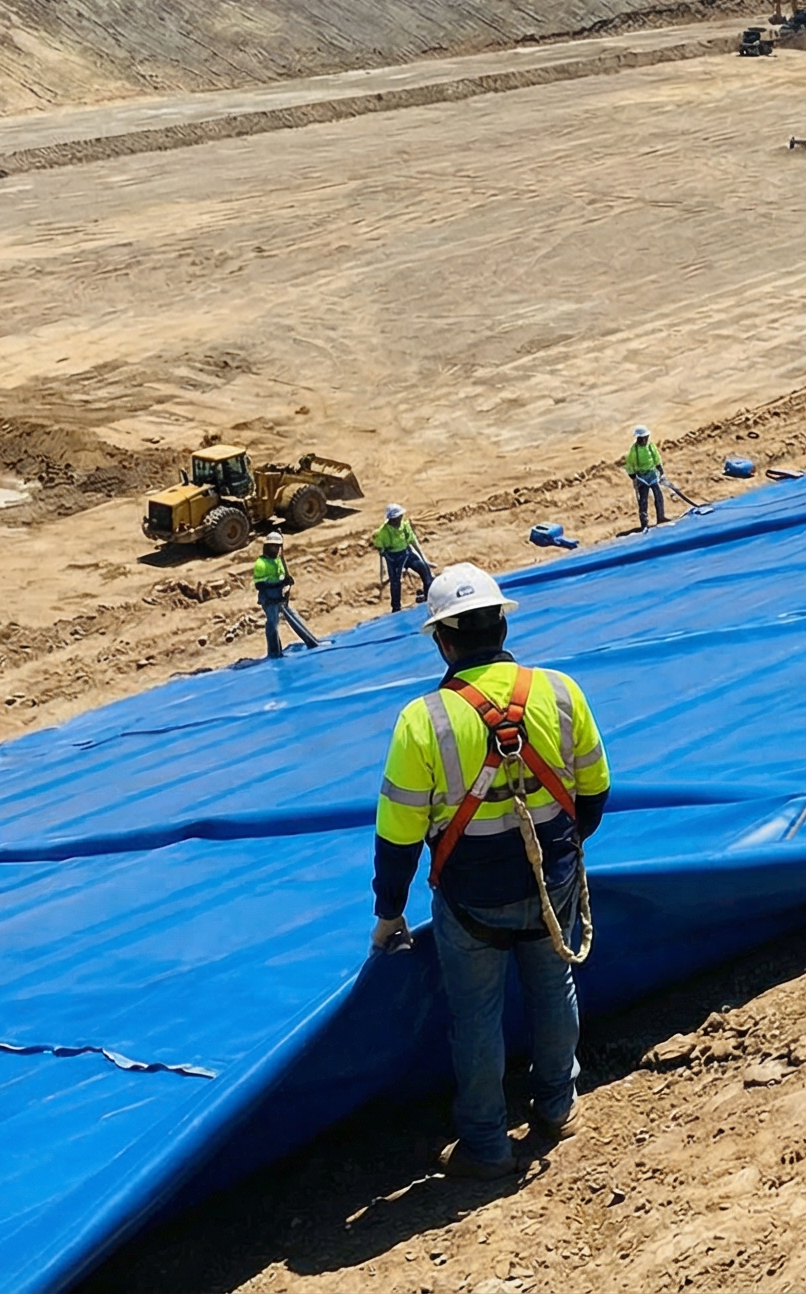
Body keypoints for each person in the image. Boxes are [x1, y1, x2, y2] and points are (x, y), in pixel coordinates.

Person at [370, 563, 609, 1179]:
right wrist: (557, 850)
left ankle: (487, 1143)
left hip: (471, 899)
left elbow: (398, 836)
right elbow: (594, 793)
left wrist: (389, 913)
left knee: (475, 1016)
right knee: (554, 989)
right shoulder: (560, 691)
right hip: (552, 885)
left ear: (442, 640)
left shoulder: (422, 721)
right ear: (502, 622)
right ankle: (557, 1105)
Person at [253, 531, 320, 657]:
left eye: (278, 546)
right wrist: (274, 592)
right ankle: (274, 652)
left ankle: (311, 641)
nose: (276, 549)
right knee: (272, 623)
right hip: (269, 597)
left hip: (280, 596)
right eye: (273, 546)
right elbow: (260, 585)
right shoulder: (261, 564)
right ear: (267, 547)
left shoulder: (278, 560)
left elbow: (281, 575)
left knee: (294, 617)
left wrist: (287, 581)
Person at [373, 503, 435, 612]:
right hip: (394, 557)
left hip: (407, 553)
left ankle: (428, 597)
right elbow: (380, 548)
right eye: (396, 518)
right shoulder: (383, 532)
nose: (399, 520)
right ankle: (396, 607)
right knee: (396, 582)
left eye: (400, 517)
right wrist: (386, 556)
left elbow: (413, 541)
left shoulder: (405, 525)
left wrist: (423, 558)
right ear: (391, 519)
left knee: (425, 571)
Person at [623, 425, 667, 530]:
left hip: (652, 474)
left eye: (646, 437)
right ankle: (644, 523)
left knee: (658, 496)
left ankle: (661, 517)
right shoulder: (634, 450)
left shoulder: (651, 446)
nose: (644, 440)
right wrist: (632, 474)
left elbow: (656, 457)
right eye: (642, 438)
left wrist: (660, 469)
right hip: (641, 477)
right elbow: (629, 463)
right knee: (643, 500)